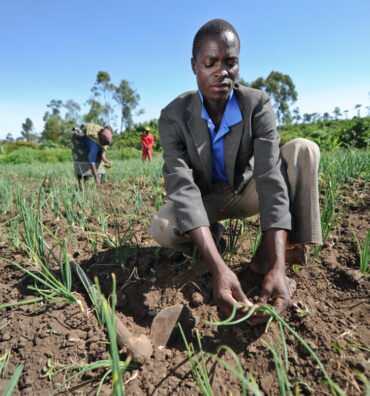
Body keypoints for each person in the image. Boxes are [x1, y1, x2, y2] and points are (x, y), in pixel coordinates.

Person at [149, 19, 322, 325]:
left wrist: (277, 268)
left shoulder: (256, 104)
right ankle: (213, 241)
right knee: (162, 226)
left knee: (304, 149)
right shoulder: (173, 116)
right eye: (210, 62)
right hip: (207, 200)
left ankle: (276, 260)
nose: (222, 72)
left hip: (248, 189)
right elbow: (182, 186)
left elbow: (270, 179)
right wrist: (218, 268)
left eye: (230, 62)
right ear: (194, 66)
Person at [71, 123, 113, 190]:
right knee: (81, 167)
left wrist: (107, 162)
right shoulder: (95, 145)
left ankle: (93, 185)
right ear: (101, 141)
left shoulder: (103, 143)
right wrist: (96, 180)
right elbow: (92, 162)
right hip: (80, 145)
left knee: (99, 163)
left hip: (90, 145)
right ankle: (81, 187)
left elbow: (103, 154)